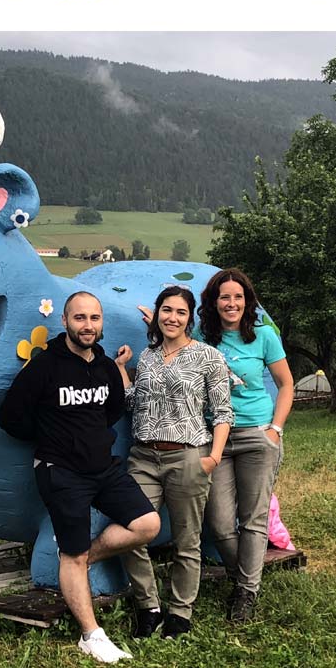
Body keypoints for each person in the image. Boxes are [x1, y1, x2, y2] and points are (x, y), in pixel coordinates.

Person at [0, 291, 159, 666]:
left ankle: (80, 561)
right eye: (80, 318)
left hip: (104, 467)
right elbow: (9, 418)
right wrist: (52, 438)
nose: (88, 326)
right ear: (65, 322)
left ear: (101, 323)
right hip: (61, 471)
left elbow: (113, 408)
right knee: (73, 550)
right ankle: (91, 635)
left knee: (146, 524)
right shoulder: (43, 368)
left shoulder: (103, 365)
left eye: (94, 318)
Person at [118, 286, 233, 641]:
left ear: (190, 318)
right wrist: (123, 368)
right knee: (132, 531)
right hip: (144, 456)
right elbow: (132, 402)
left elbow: (223, 412)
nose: (172, 318)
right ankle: (148, 608)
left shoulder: (208, 357)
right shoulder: (148, 356)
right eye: (166, 310)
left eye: (180, 312)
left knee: (187, 539)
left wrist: (213, 457)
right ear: (157, 313)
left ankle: (180, 613)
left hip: (188, 455)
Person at [195, 267, 293, 623]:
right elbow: (175, 349)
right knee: (220, 523)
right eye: (225, 297)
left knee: (253, 519)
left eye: (238, 297)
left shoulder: (264, 336)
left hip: (257, 434)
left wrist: (275, 429)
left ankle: (245, 594)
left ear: (246, 301)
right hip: (215, 438)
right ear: (214, 302)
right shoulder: (202, 335)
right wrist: (155, 324)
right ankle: (245, 578)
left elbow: (286, 384)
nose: (231, 303)